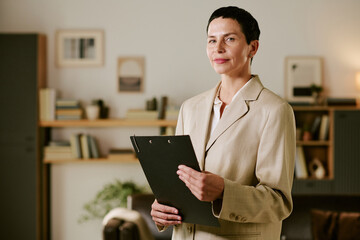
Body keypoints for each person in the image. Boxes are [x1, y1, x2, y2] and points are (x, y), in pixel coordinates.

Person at [151, 6, 296, 240]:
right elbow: (179, 182)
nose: (218, 48)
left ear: (253, 47)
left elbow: (278, 202)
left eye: (229, 39)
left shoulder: (275, 111)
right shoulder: (190, 108)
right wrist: (161, 208)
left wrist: (223, 191)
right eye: (211, 40)